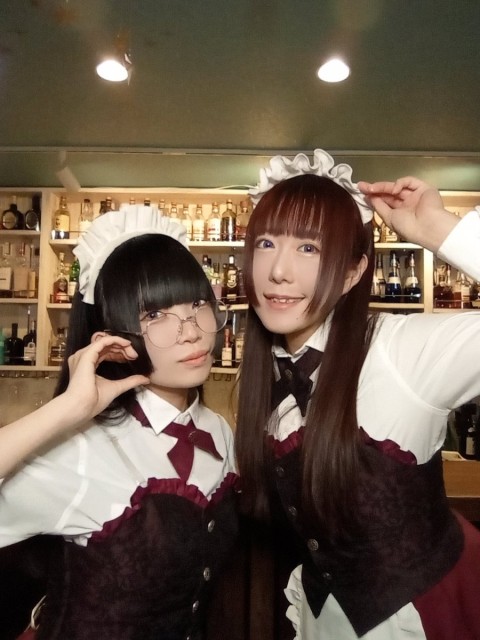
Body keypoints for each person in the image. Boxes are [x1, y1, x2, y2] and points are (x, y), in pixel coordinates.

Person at [235, 149, 480, 640]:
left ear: (352, 272)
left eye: (309, 248)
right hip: (321, 619)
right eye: (266, 243)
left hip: (419, 619)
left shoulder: (402, 352)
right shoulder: (264, 377)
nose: (279, 270)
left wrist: (439, 231)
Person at [0, 207, 239, 640]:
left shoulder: (218, 431)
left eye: (198, 304)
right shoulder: (81, 448)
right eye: (155, 315)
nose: (191, 331)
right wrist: (67, 410)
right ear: (112, 337)